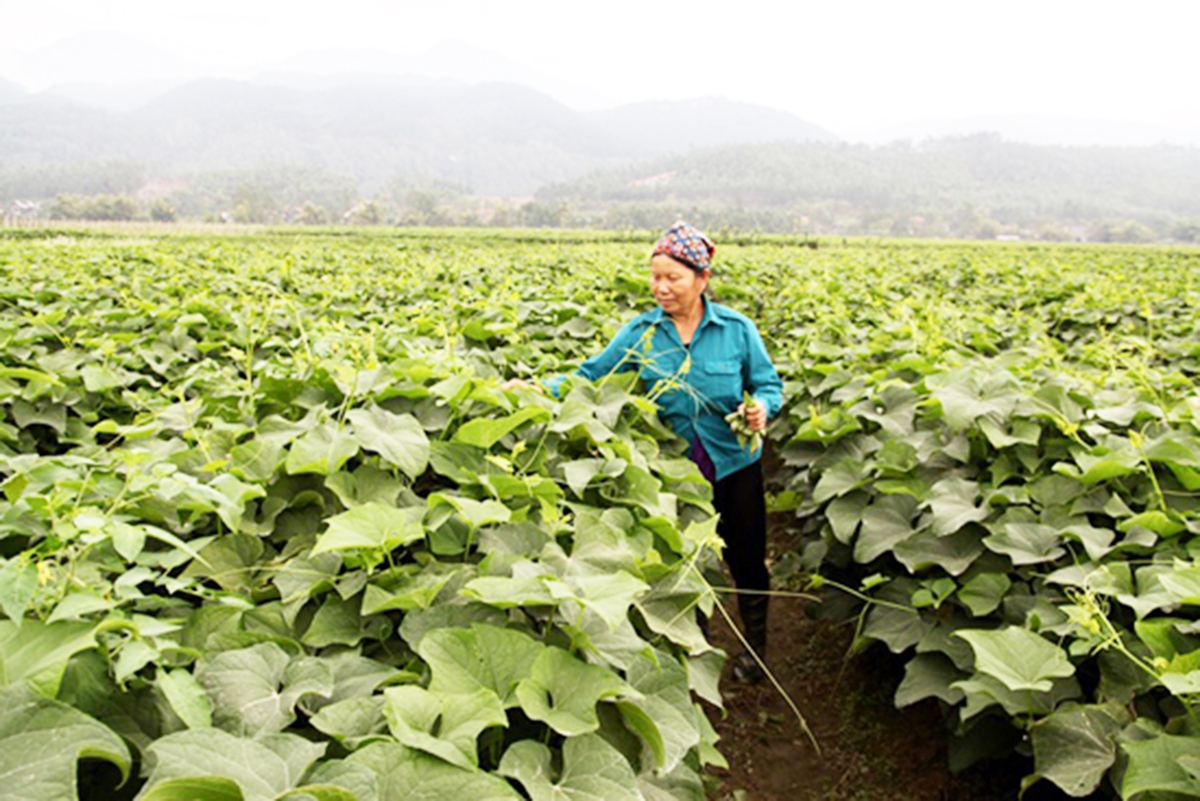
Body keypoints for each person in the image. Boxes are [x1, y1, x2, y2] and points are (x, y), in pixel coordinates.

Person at [504, 222, 783, 683]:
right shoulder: (641, 333)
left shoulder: (736, 330)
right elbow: (590, 375)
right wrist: (535, 387)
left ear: (702, 279)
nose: (661, 287)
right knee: (685, 563)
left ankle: (756, 653)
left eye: (673, 278)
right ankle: (695, 651)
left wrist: (761, 409)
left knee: (748, 559)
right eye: (655, 277)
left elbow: (767, 383)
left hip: (736, 464)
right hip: (674, 472)